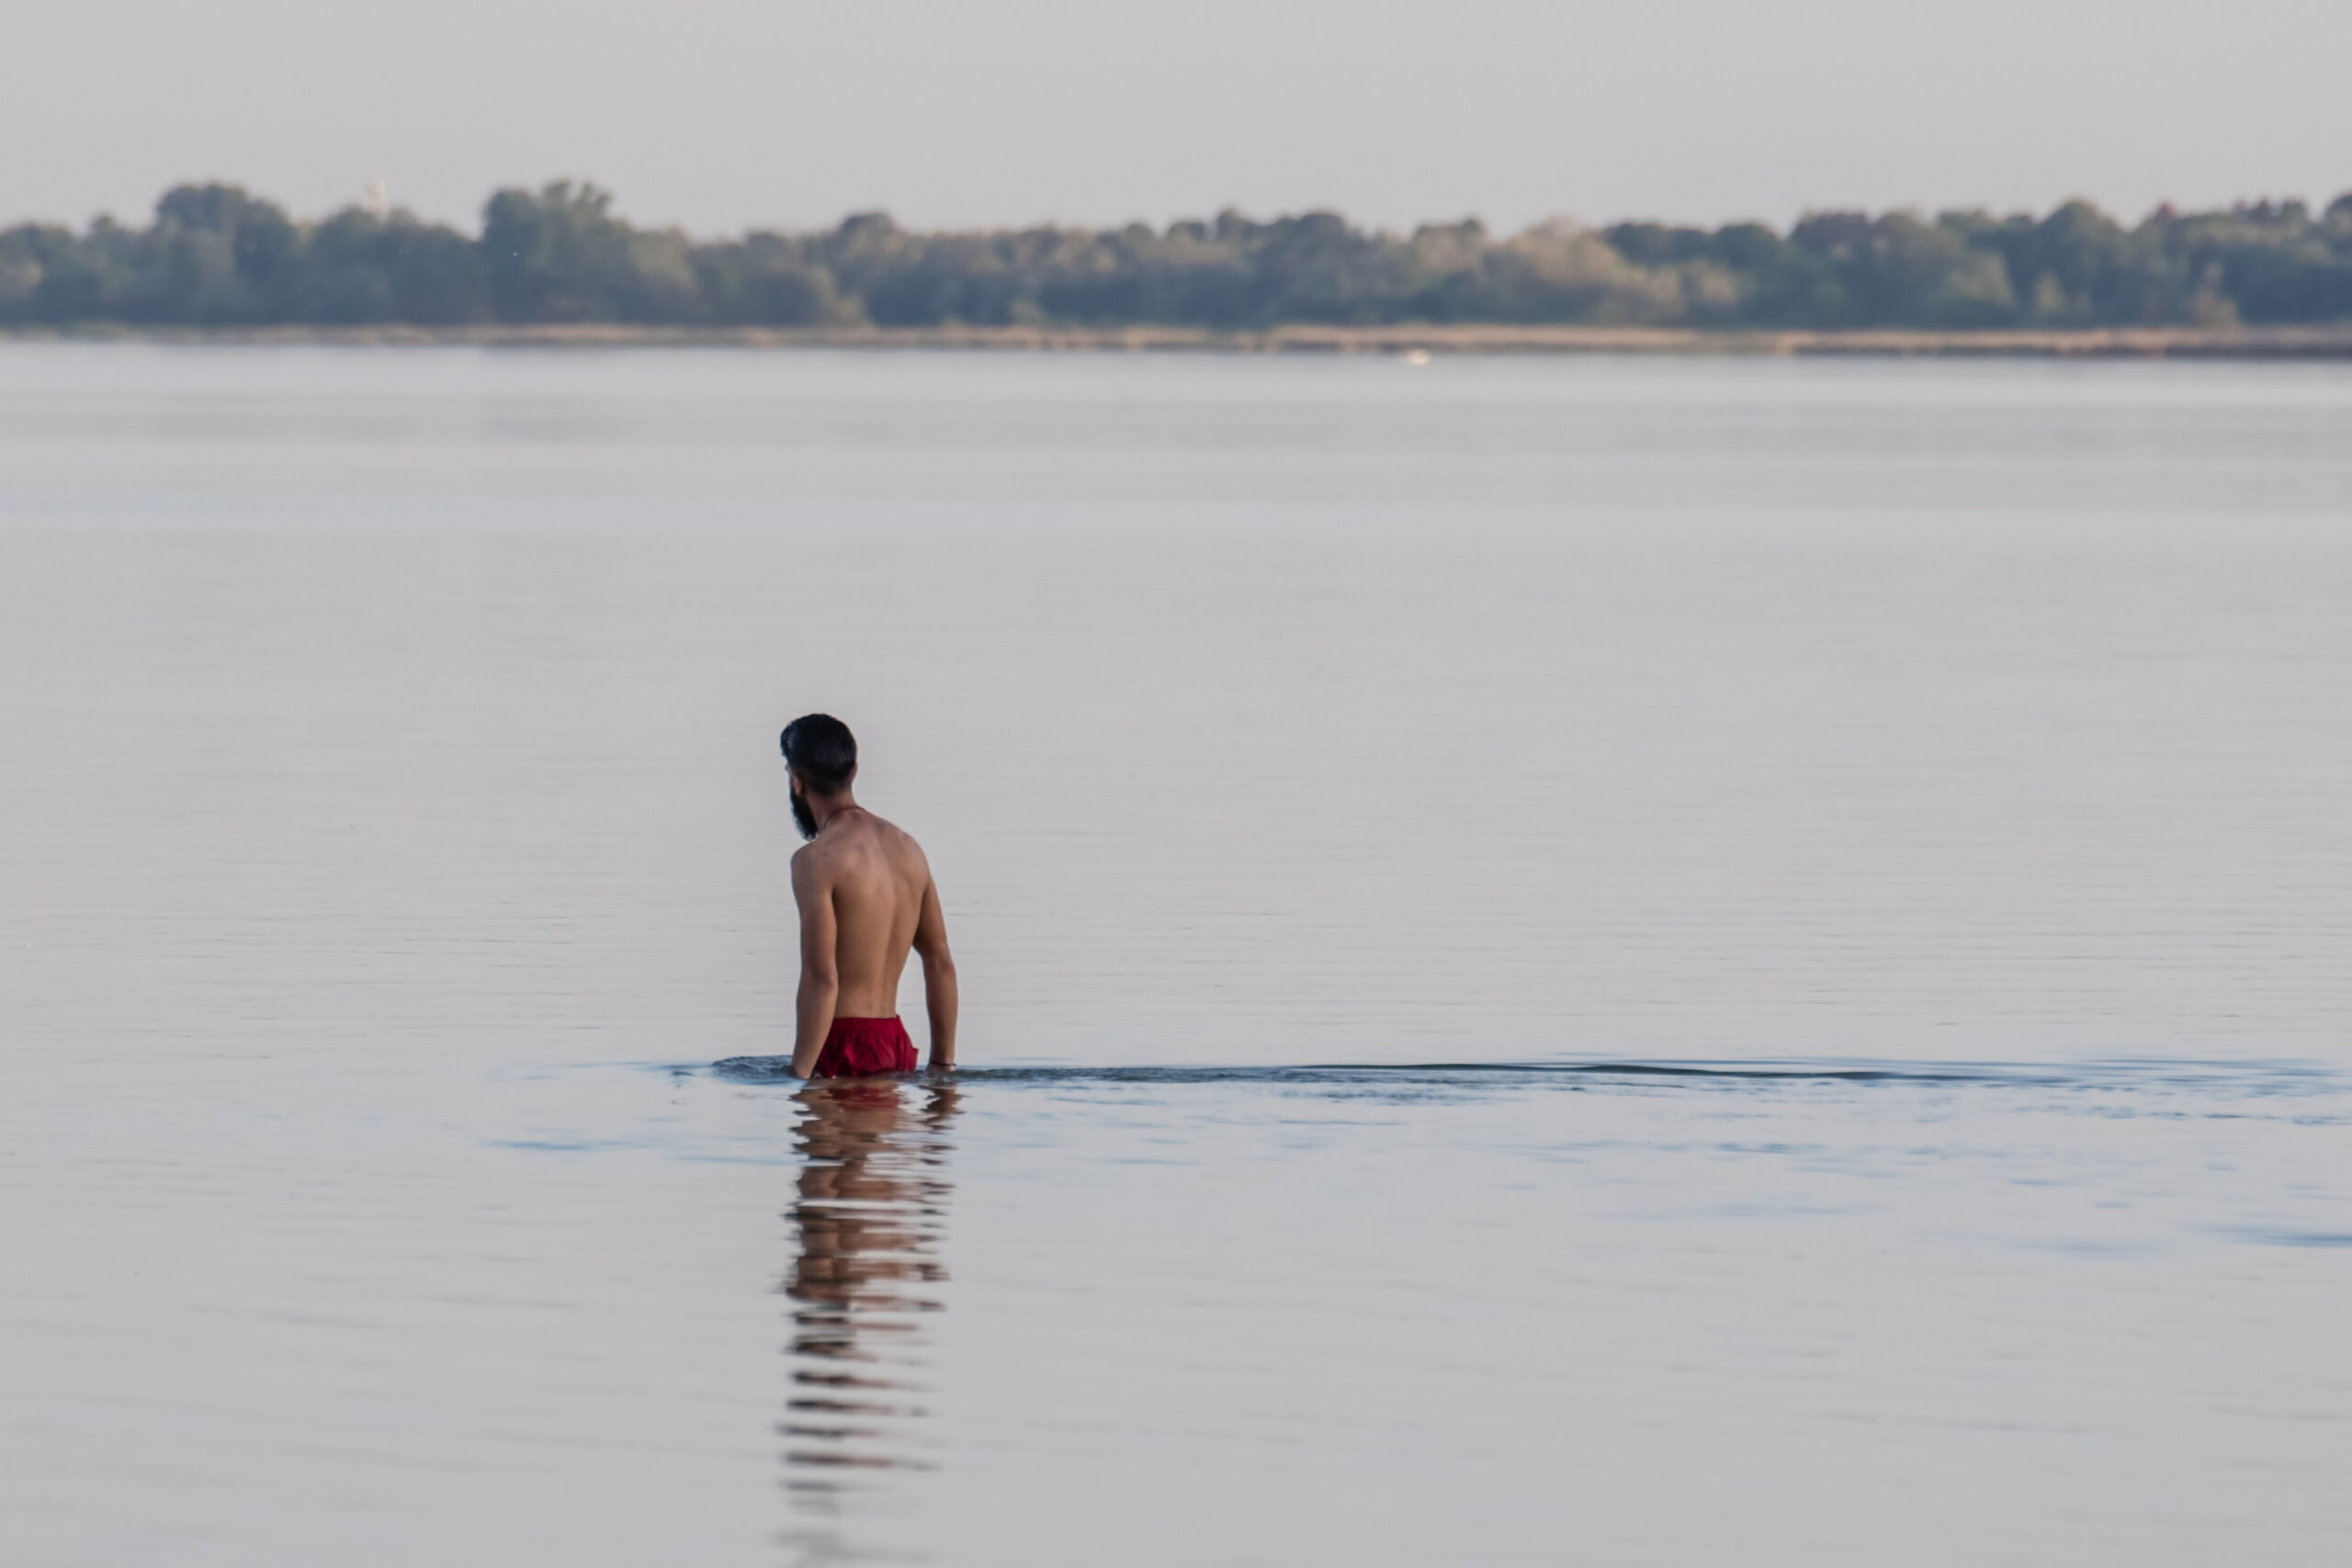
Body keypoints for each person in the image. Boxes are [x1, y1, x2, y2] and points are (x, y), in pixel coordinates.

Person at [780, 714, 957, 1077]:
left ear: (797, 782)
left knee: (821, 1133)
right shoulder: (908, 848)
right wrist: (942, 1066)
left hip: (839, 1044)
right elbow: (939, 961)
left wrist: (797, 1077)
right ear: (854, 771)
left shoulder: (816, 860)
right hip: (893, 1042)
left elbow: (823, 977)